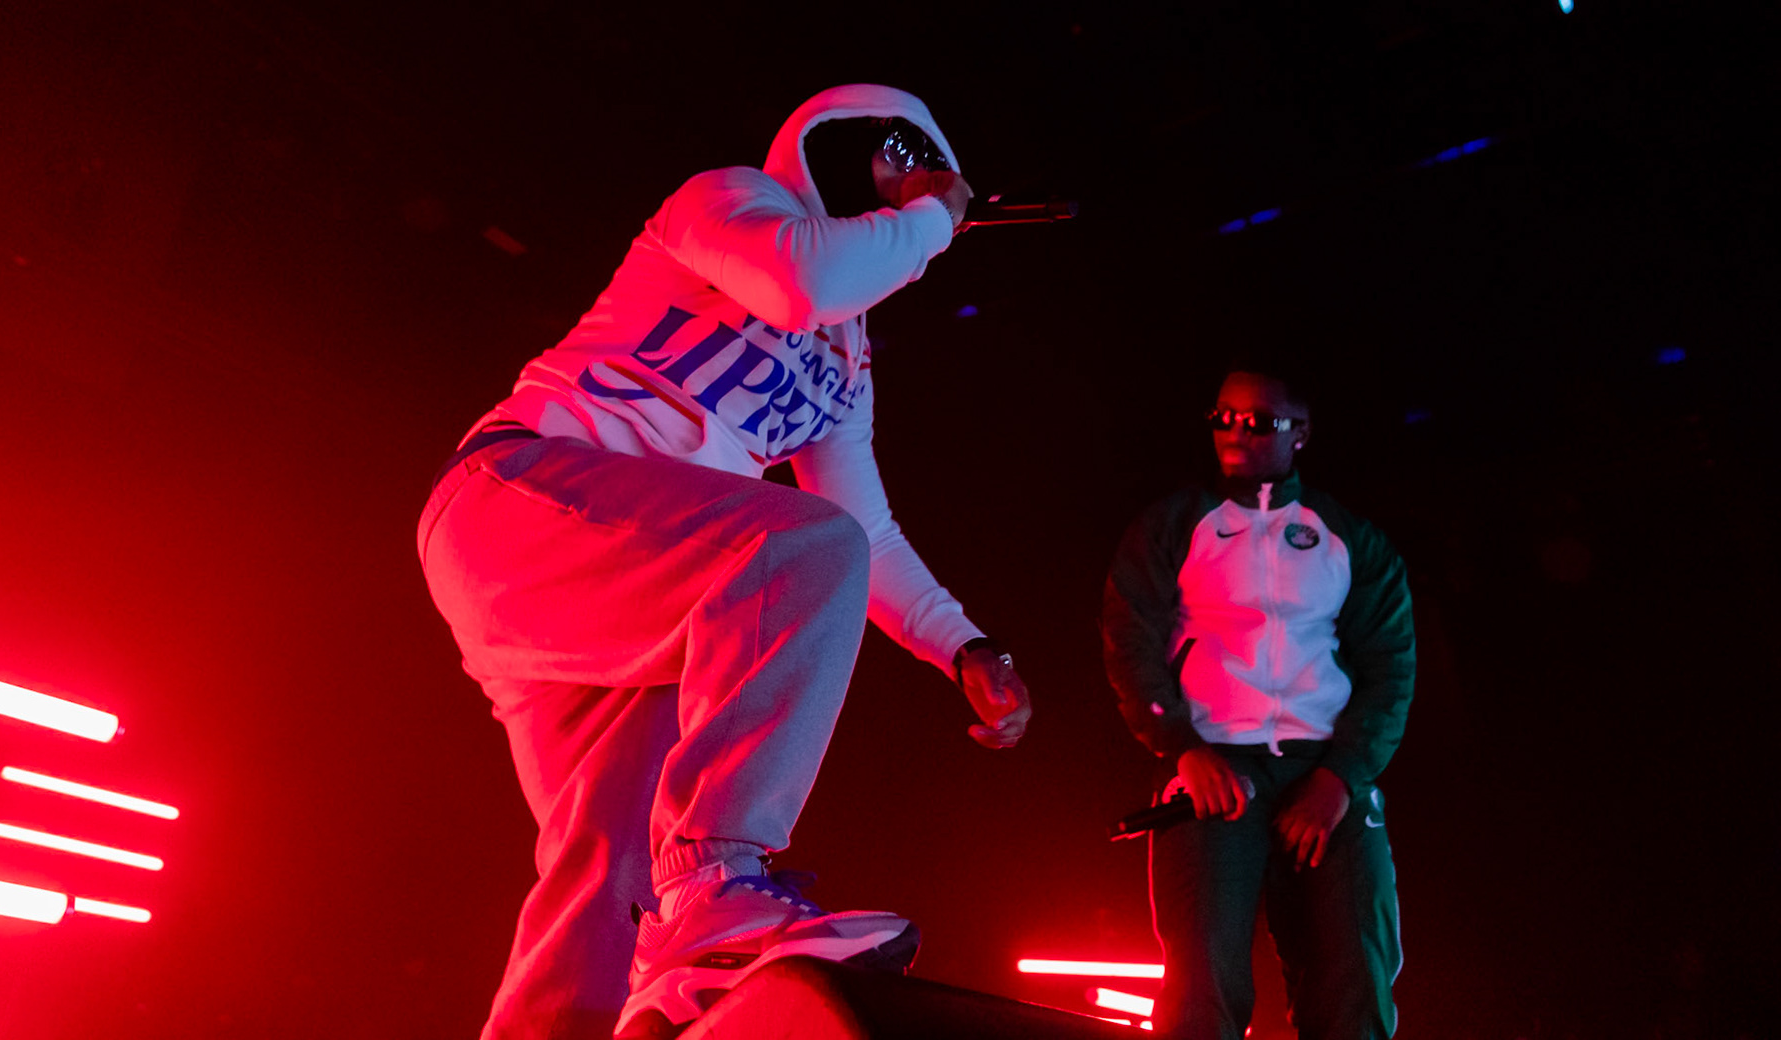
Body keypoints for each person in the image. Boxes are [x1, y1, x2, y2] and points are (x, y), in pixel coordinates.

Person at [417, 84, 1032, 1040]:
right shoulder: (732, 202)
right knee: (795, 549)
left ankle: (642, 965)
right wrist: (933, 217)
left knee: (607, 884)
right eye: (902, 160)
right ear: (841, 140)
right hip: (522, 501)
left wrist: (964, 643)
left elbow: (861, 529)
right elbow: (799, 282)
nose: (917, 192)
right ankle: (717, 878)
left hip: (644, 589)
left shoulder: (845, 355)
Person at [1099, 366, 1413, 1040]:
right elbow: (1130, 646)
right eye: (1224, 417)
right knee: (1202, 987)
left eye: (1259, 421)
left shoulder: (1348, 538)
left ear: (1300, 432)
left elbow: (1391, 667)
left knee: (1353, 979)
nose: (1237, 432)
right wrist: (1183, 750)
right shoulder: (1173, 526)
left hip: (1326, 774)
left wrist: (1342, 777)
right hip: (1213, 770)